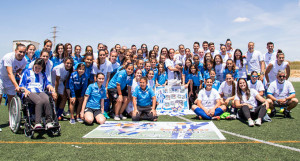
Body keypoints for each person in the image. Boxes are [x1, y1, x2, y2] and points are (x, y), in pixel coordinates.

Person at [19, 58, 57, 129]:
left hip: (40, 91)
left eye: (39, 68)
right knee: (39, 101)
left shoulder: (42, 74)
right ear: (34, 65)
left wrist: (50, 87)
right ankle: (38, 123)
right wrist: (25, 90)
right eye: (36, 67)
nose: (37, 69)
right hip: (29, 91)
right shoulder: (27, 72)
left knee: (47, 100)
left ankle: (48, 121)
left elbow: (47, 84)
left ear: (42, 68)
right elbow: (21, 85)